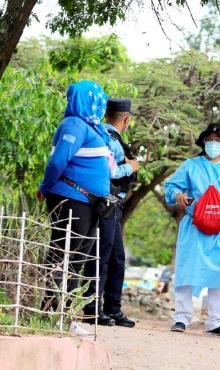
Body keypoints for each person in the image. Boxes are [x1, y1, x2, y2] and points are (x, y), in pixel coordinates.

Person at [37, 80, 111, 337]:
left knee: (77, 260)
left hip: (90, 204)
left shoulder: (93, 127)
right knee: (62, 257)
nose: (101, 103)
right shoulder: (74, 124)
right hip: (70, 199)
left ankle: (64, 315)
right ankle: (51, 313)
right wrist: (45, 187)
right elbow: (57, 161)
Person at [165, 123, 220, 336]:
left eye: (218, 140)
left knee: (218, 275)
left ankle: (215, 322)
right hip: (193, 226)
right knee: (185, 272)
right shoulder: (190, 165)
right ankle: (181, 318)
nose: (213, 144)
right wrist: (178, 196)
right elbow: (171, 187)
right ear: (203, 142)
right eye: (209, 139)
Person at [82, 98, 139, 328]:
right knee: (101, 256)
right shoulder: (108, 138)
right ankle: (92, 308)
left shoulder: (111, 136)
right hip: (104, 204)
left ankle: (112, 309)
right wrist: (131, 167)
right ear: (127, 118)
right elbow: (107, 171)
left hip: (113, 205)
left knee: (116, 258)